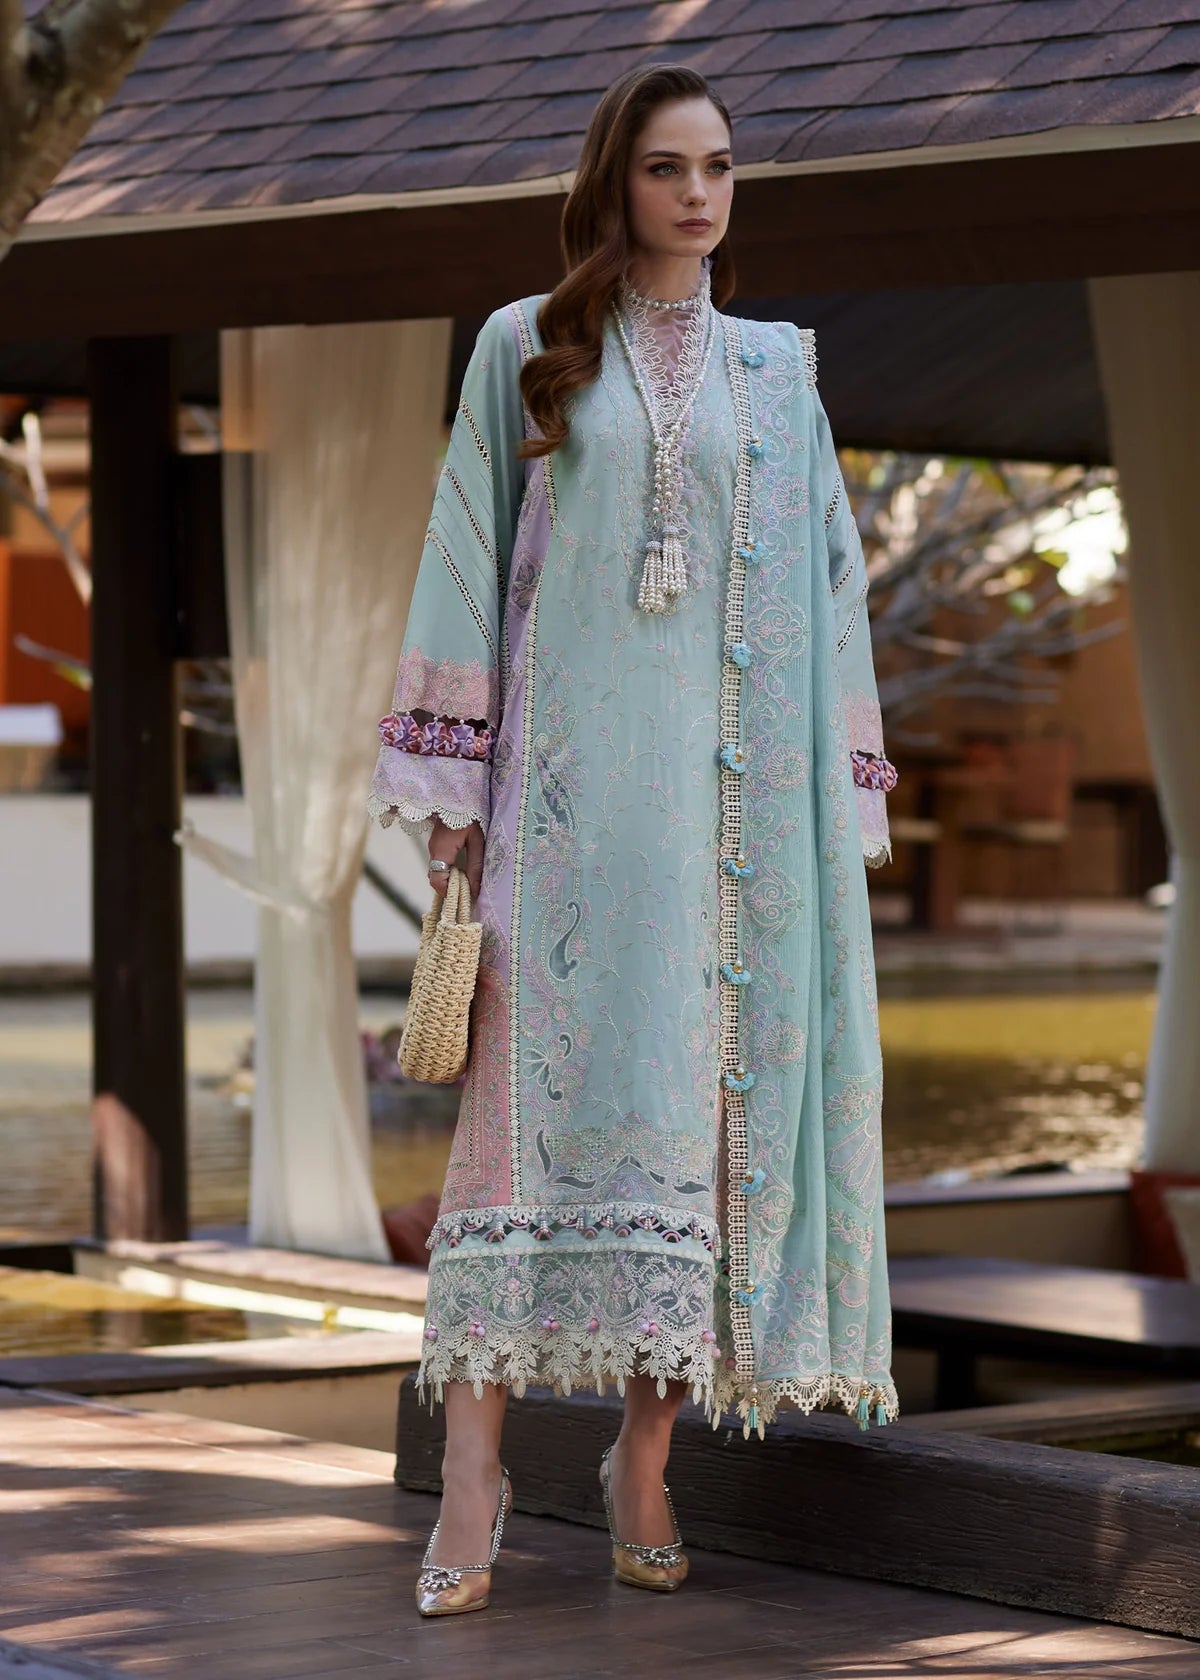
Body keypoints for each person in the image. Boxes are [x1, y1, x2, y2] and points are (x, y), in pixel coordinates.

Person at [369, 62, 900, 1618]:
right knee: (508, 1146)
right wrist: (458, 813)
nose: (698, 194)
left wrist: (836, 807)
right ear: (617, 184)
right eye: (669, 168)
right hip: (563, 825)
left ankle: (643, 1463)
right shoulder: (525, 349)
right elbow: (465, 557)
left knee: (707, 1143)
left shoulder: (777, 374)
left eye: (719, 167)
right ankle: (474, 1471)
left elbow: (832, 596)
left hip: (732, 838)